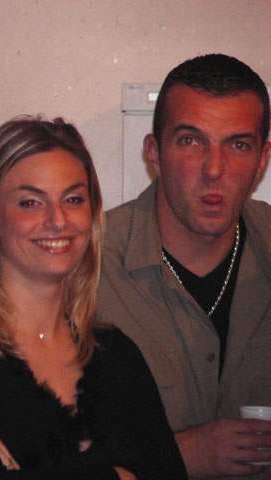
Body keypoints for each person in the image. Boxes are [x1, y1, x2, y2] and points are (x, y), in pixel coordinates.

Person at [0, 116, 187, 479]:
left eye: (73, 199)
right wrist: (114, 475)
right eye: (31, 203)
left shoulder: (117, 354)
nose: (57, 220)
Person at [96, 53, 271, 479]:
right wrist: (175, 456)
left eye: (238, 145)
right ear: (154, 154)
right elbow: (35, 448)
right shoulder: (85, 265)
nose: (214, 169)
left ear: (262, 160)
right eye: (191, 141)